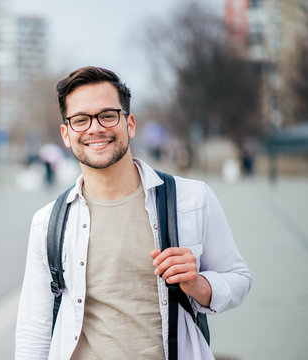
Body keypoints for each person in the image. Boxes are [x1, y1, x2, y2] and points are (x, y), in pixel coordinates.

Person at [15, 66, 252, 360]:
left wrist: (199, 285)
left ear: (130, 124)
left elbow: (239, 278)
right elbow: (34, 331)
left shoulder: (191, 199)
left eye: (108, 115)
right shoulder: (48, 223)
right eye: (80, 120)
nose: (95, 128)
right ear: (66, 134)